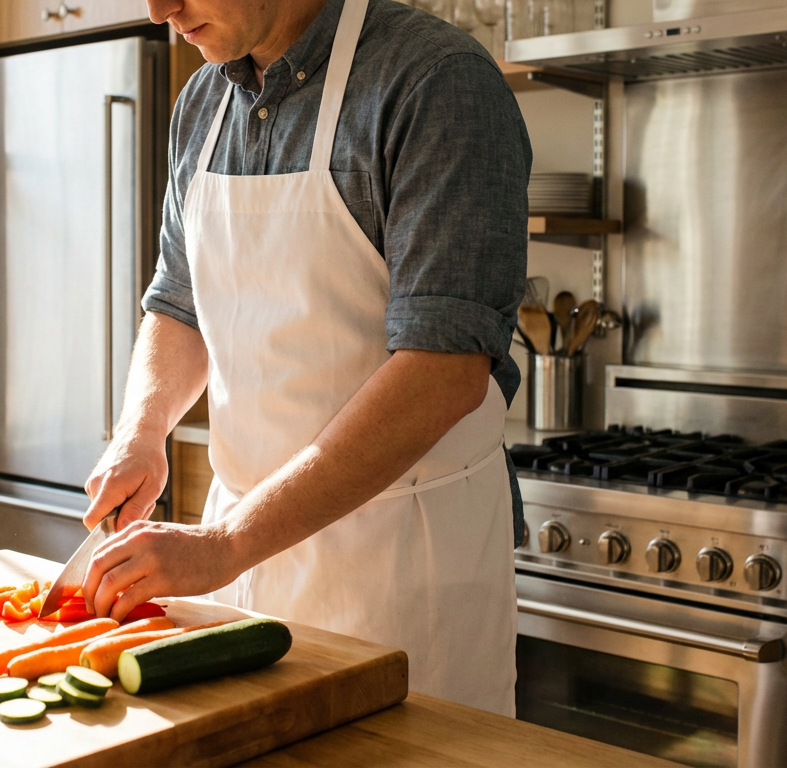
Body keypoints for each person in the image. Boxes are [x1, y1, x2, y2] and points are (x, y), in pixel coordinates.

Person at [78, 0, 531, 715]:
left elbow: (443, 372)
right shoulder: (203, 99)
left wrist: (227, 543)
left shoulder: (437, 82)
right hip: (232, 565)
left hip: (398, 570)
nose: (160, 10)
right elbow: (179, 303)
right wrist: (142, 430)